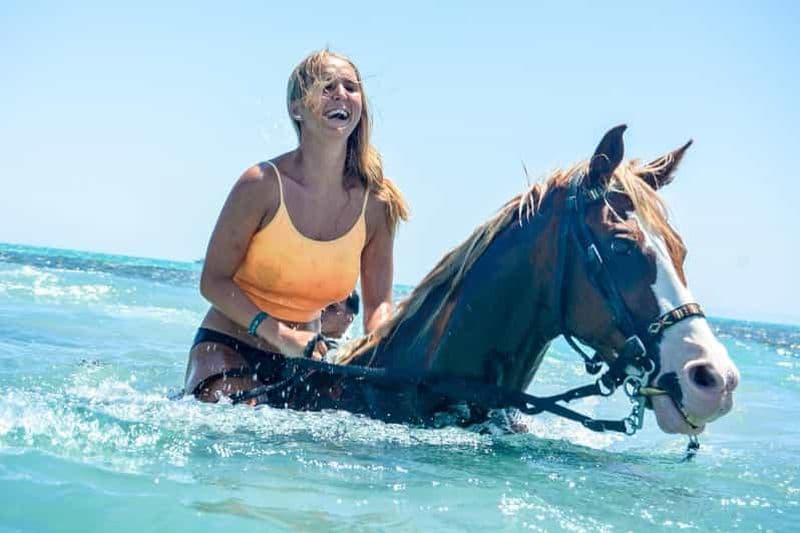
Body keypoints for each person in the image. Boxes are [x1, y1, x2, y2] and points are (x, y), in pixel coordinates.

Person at [184, 50, 409, 403]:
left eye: (351, 87)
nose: (340, 94)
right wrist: (282, 337)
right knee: (243, 427)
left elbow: (378, 303)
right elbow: (212, 281)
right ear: (296, 108)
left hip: (307, 362)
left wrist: (392, 353)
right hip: (228, 347)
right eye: (327, 86)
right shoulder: (260, 184)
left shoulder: (378, 204)